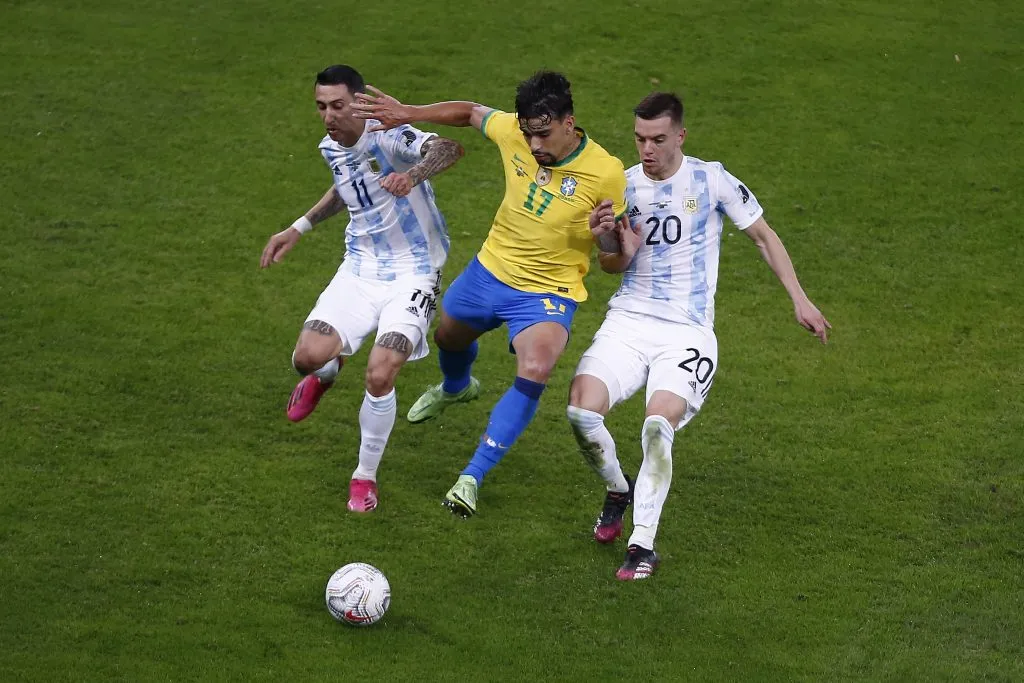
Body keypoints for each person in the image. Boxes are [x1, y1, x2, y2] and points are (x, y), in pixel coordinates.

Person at [568, 92, 831, 580]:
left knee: (655, 426)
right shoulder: (622, 187)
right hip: (628, 320)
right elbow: (613, 264)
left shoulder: (712, 179)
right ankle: (617, 489)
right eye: (640, 139)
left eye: (658, 139)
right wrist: (609, 237)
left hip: (686, 332)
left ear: (680, 136)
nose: (647, 149)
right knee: (581, 413)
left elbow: (763, 236)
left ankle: (641, 544)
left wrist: (800, 298)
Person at [352, 71, 627, 517]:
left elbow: (615, 263)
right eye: (528, 133)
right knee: (448, 337)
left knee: (536, 367)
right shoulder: (514, 133)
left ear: (569, 123)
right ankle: (457, 387)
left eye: (544, 133)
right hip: (489, 270)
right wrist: (409, 113)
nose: (535, 145)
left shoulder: (607, 172)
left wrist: (606, 239)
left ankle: (471, 476)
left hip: (547, 291)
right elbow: (471, 112)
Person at [259, 64, 464, 513]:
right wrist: (299, 227)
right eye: (321, 107)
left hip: (414, 271)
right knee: (306, 358)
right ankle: (327, 372)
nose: (329, 115)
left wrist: (413, 176)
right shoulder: (330, 146)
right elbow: (347, 189)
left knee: (380, 371)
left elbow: (450, 147)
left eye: (337, 105)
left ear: (357, 101)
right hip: (360, 268)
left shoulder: (389, 135)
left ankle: (363, 477)